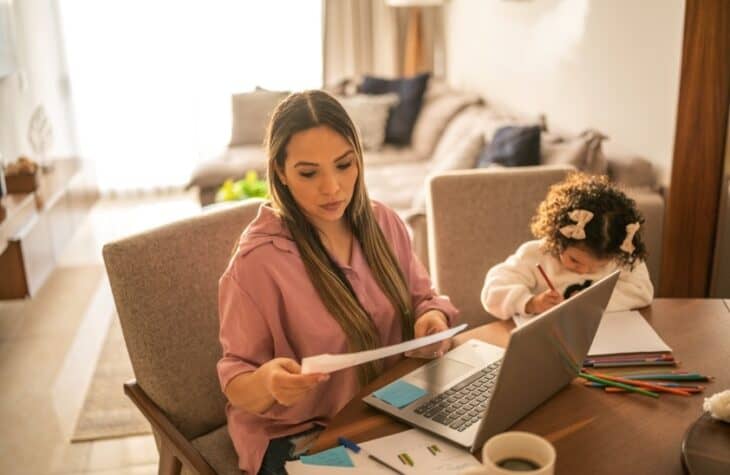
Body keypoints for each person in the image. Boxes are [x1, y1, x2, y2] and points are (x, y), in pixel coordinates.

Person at [217, 90, 459, 474]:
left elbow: (424, 298)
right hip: (298, 432)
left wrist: (432, 320)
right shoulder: (256, 265)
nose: (332, 188)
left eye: (344, 165)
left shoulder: (384, 223)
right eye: (309, 173)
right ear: (280, 171)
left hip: (385, 407)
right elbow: (237, 377)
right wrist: (268, 383)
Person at [481, 172, 653, 326]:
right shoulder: (536, 254)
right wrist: (530, 303)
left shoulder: (620, 255)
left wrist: (588, 304)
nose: (584, 271)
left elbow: (642, 292)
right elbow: (493, 290)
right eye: (575, 260)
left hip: (604, 338)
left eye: (599, 266)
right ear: (558, 239)